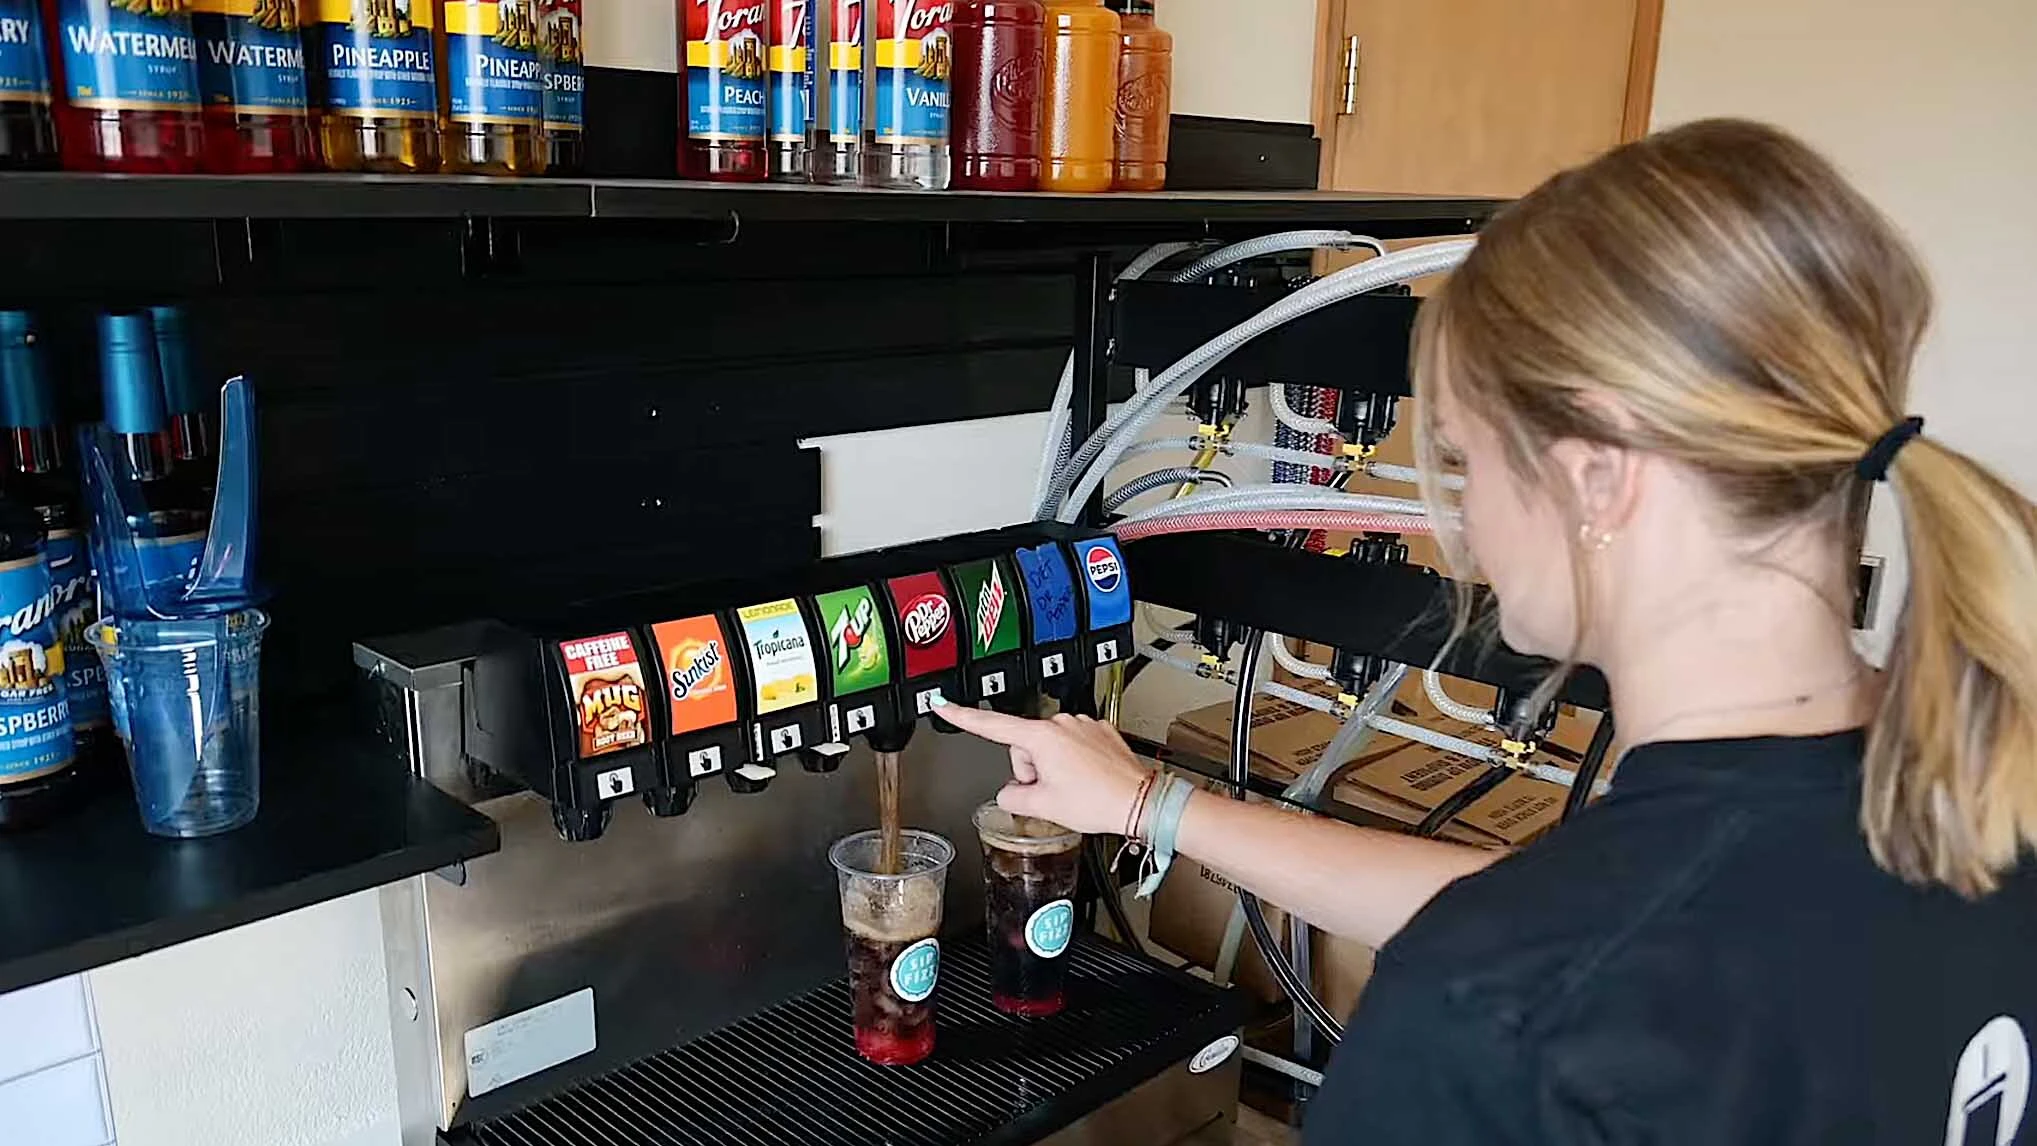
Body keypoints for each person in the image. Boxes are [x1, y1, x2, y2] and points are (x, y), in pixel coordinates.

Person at [935, 118, 2037, 1144]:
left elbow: (1552, 962)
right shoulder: (1979, 796)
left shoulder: (1497, 1019)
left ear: (1596, 480)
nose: (1455, 526)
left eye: (1462, 459)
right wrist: (1150, 801)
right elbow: (1596, 941)